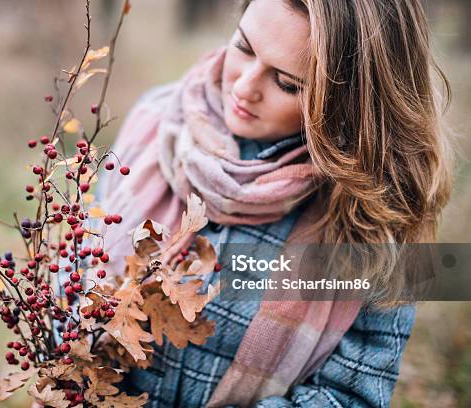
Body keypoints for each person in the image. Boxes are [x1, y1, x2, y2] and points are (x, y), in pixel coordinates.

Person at [94, 0, 454, 406]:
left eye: (286, 83)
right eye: (243, 47)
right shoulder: (153, 123)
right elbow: (79, 267)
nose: (244, 87)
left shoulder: (378, 216)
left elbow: (352, 396)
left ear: (349, 105)